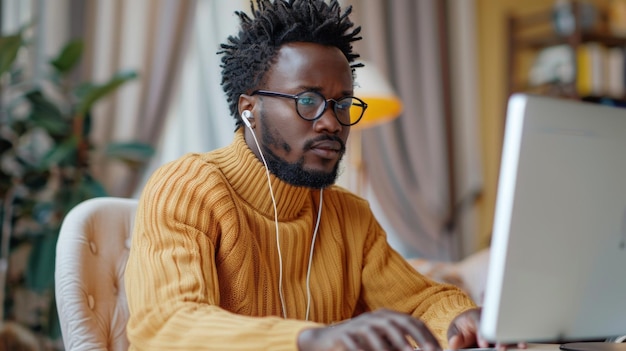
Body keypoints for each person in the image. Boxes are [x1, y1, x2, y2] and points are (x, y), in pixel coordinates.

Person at [124, 1, 505, 350]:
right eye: (307, 100)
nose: (330, 122)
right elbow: (166, 323)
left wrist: (459, 319)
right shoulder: (187, 188)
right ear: (249, 109)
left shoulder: (348, 214)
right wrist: (307, 339)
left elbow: (421, 299)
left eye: (342, 104)